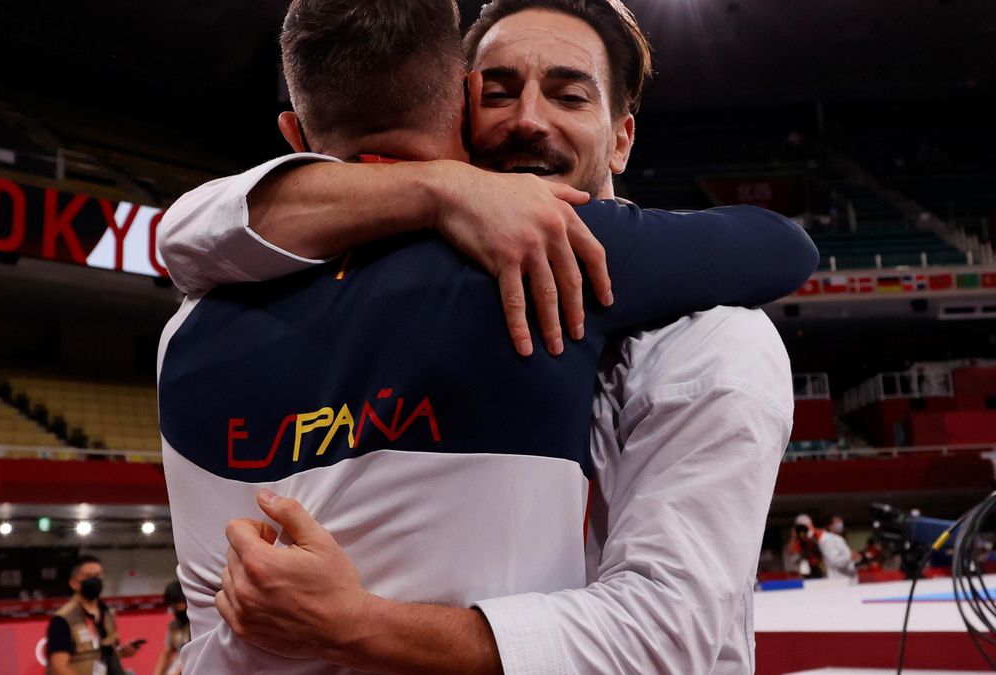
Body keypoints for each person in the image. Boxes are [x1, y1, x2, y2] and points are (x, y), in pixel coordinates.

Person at [157, 0, 811, 672]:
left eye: (569, 94)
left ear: (621, 136)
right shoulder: (478, 272)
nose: (528, 119)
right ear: (462, 103)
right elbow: (780, 245)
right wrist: (441, 188)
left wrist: (357, 623)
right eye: (498, 92)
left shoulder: (714, 338)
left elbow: (665, 638)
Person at [45, 554, 139, 675]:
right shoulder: (63, 619)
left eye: (98, 576)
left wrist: (121, 652)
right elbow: (59, 667)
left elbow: (101, 654)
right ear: (74, 583)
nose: (94, 580)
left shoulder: (107, 614)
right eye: (88, 576)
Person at [152, 580, 190, 675]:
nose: (174, 610)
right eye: (172, 607)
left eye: (176, 605)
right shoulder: (174, 626)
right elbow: (166, 652)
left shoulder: (198, 624)